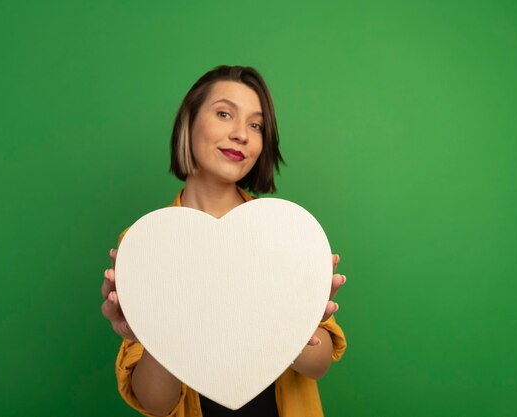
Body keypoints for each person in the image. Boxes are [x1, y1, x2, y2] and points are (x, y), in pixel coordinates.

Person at [101, 65, 347, 417]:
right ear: (189, 121)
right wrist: (153, 330)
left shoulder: (284, 231)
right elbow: (157, 403)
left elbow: (317, 364)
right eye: (223, 114)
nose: (241, 135)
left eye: (256, 125)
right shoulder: (146, 241)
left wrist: (292, 322)